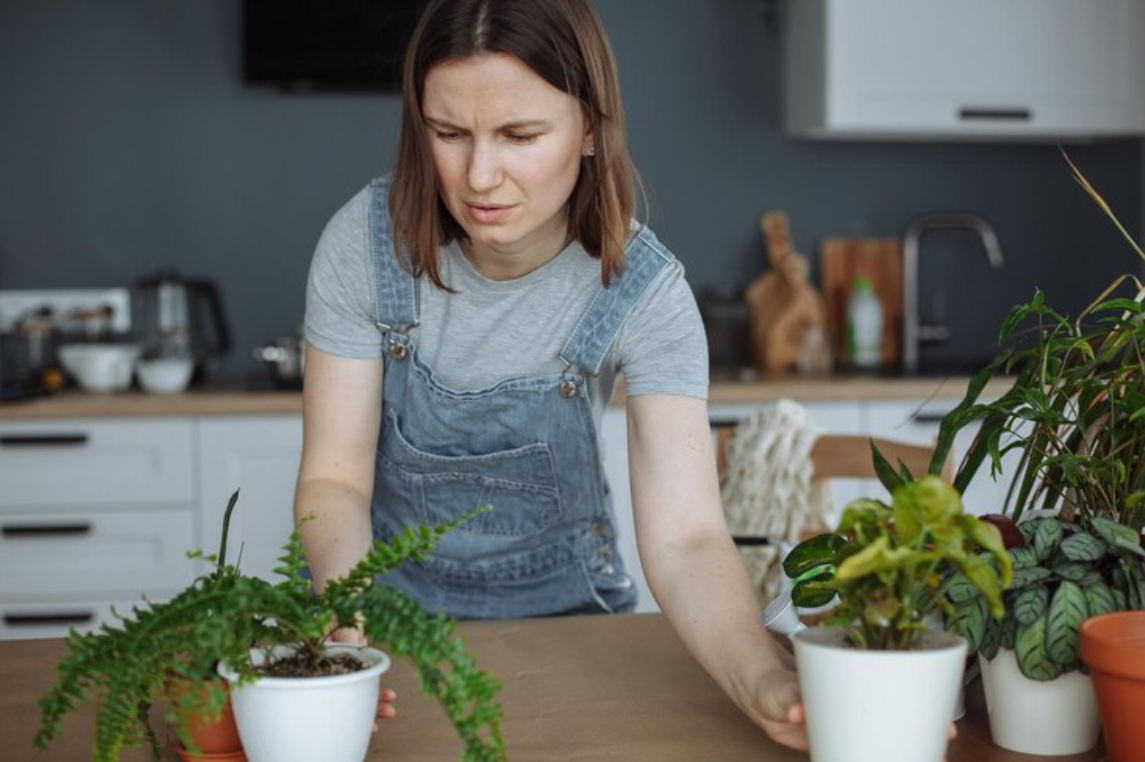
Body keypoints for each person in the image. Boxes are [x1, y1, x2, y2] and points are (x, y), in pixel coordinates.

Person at [295, 0, 806, 750]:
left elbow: (688, 537)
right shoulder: (362, 246)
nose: (478, 175)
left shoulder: (645, 293)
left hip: (573, 637)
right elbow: (334, 483)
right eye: (448, 133)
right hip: (386, 638)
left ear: (590, 129)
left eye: (519, 135)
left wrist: (762, 680)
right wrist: (348, 636)